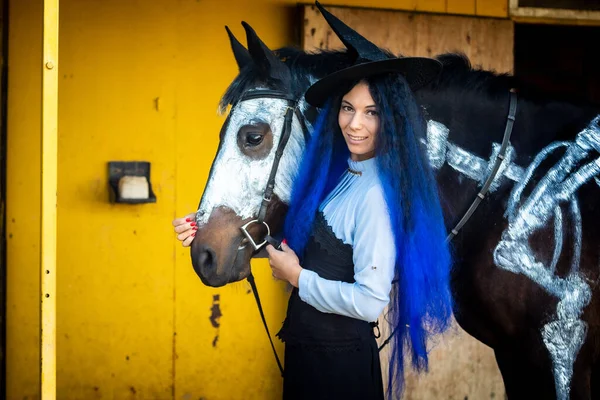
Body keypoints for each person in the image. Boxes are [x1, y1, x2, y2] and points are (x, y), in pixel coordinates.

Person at [173, 4, 452, 399]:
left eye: (372, 113)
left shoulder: (375, 195)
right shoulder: (344, 179)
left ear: (392, 120)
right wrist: (214, 228)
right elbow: (323, 253)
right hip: (311, 359)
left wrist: (297, 277)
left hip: (339, 370)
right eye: (348, 108)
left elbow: (370, 303)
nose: (355, 124)